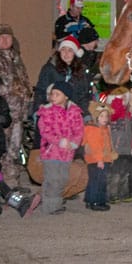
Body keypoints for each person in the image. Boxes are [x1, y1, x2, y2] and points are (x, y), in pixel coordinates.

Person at [0, 24, 33, 188]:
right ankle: (1, 184)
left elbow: (23, 80)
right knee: (2, 150)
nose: (4, 40)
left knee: (14, 149)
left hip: (18, 113)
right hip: (3, 114)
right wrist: (12, 91)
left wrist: (26, 95)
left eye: (8, 37)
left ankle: (12, 182)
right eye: (1, 37)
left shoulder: (15, 58)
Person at [36, 81, 84, 215]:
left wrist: (74, 143)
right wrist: (59, 141)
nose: (53, 96)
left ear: (66, 96)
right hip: (51, 152)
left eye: (57, 94)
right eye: (52, 94)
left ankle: (54, 202)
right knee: (53, 179)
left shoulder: (75, 112)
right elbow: (45, 131)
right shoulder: (47, 112)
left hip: (67, 153)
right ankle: (50, 207)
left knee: (62, 179)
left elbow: (79, 130)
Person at [81, 102, 116, 211]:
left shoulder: (104, 128)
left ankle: (90, 200)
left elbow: (108, 145)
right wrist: (99, 160)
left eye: (106, 116)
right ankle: (97, 201)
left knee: (94, 180)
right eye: (101, 116)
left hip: (100, 159)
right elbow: (95, 146)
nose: (104, 118)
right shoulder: (94, 129)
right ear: (96, 117)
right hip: (97, 160)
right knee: (99, 181)